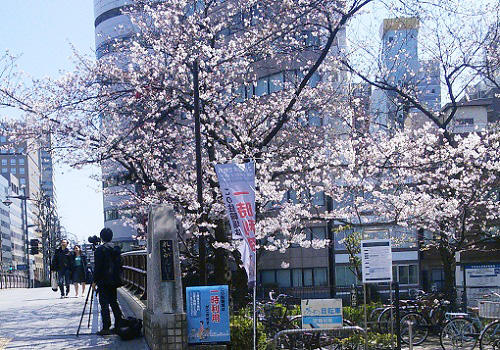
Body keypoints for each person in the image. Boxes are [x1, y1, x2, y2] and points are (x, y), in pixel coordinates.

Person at [92, 228, 123, 335]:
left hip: (103, 281)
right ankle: (118, 325)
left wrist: (94, 280)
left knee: (104, 304)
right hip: (114, 280)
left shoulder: (100, 250)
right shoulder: (116, 249)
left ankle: (106, 327)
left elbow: (98, 267)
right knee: (114, 302)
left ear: (101, 237)